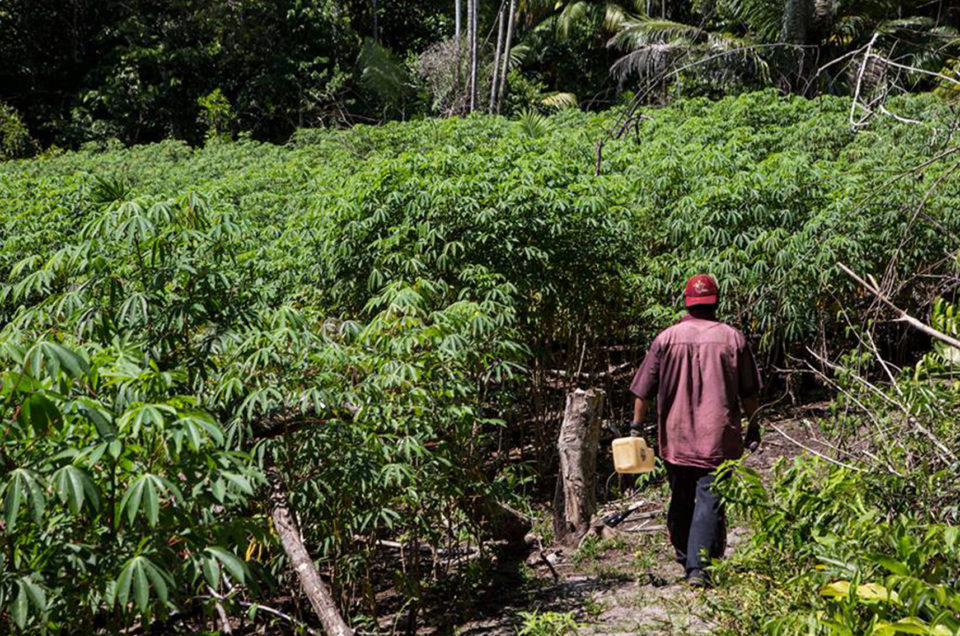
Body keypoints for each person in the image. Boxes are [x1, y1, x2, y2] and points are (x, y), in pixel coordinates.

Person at [628, 274, 761, 587]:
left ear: (686, 302)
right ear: (716, 301)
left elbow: (642, 390)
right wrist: (754, 425)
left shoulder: (666, 338)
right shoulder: (732, 338)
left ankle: (687, 556)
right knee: (710, 498)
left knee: (682, 496)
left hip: (676, 436)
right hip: (717, 437)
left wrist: (636, 428)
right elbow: (749, 392)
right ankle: (698, 567)